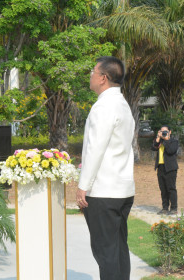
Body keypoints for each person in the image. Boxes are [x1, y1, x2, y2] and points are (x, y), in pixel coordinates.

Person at [76, 56, 135, 280]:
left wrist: (83, 186)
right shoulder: (123, 105)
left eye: (93, 72)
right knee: (118, 250)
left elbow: (95, 149)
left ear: (103, 78)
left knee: (106, 254)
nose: (90, 76)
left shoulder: (104, 107)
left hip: (103, 192)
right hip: (122, 189)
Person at [152, 125, 179, 215]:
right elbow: (153, 147)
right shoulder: (160, 141)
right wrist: (158, 138)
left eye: (165, 131)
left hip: (170, 168)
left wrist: (166, 140)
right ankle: (165, 208)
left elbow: (171, 151)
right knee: (163, 189)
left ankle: (174, 208)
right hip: (160, 167)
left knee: (171, 188)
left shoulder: (174, 141)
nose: (164, 133)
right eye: (161, 131)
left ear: (170, 132)